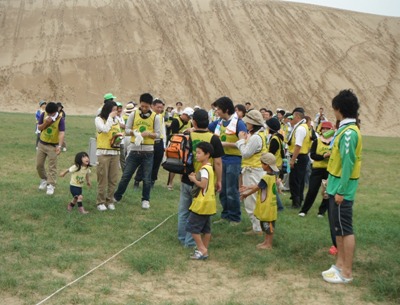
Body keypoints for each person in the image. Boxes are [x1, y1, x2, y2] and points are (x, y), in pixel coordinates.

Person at [322, 89, 362, 284]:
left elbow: (349, 164)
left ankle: (347, 271)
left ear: (339, 109)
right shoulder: (344, 130)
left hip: (341, 189)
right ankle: (339, 264)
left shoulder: (349, 134)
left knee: (345, 229)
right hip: (335, 186)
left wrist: (341, 191)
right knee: (337, 228)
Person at [177, 109, 223, 248]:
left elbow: (182, 157)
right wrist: (218, 180)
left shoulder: (187, 135)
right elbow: (218, 162)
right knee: (197, 212)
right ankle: (191, 243)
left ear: (194, 122)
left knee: (184, 211)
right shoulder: (214, 138)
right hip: (205, 181)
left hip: (187, 177)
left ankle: (182, 237)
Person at [113, 93, 160, 209]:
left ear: (150, 106)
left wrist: (149, 134)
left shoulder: (155, 117)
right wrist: (134, 132)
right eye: (142, 106)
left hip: (148, 152)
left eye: (146, 107)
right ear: (140, 104)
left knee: (147, 179)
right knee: (126, 176)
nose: (144, 109)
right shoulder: (133, 115)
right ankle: (117, 196)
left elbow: (158, 135)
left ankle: (145, 199)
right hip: (134, 151)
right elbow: (127, 130)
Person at [209, 97, 247, 225]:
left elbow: (244, 143)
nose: (217, 111)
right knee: (222, 190)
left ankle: (235, 217)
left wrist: (224, 144)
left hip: (234, 160)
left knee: (231, 190)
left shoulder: (239, 123)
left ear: (225, 109)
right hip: (221, 159)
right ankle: (225, 215)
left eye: (218, 109)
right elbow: (206, 128)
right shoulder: (219, 122)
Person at [236, 110, 267, 235]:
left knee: (250, 199)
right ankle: (257, 226)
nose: (246, 124)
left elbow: (246, 153)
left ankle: (257, 228)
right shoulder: (260, 135)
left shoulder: (255, 137)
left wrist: (240, 140)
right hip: (255, 170)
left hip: (253, 170)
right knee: (254, 199)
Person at [240, 153, 279, 250]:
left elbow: (258, 187)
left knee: (268, 226)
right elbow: (260, 186)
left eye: (262, 164)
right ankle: (266, 242)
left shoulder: (266, 177)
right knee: (267, 225)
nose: (261, 166)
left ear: (266, 165)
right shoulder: (273, 176)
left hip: (267, 206)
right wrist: (248, 187)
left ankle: (268, 244)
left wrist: (246, 194)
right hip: (271, 206)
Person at [186, 142, 217, 260]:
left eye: (199, 153)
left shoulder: (204, 169)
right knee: (206, 229)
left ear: (207, 154)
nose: (196, 155)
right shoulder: (210, 168)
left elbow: (203, 184)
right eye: (196, 153)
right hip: (209, 202)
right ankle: (203, 250)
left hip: (202, 203)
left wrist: (193, 179)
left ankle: (202, 249)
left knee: (192, 226)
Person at [299, 121, 334, 217]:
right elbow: (313, 155)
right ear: (321, 130)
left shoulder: (334, 141)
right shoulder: (317, 141)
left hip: (329, 170)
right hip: (317, 169)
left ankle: (321, 212)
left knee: (327, 192)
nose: (325, 130)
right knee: (312, 190)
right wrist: (324, 156)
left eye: (328, 129)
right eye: (324, 129)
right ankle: (304, 210)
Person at [95, 100, 121, 211]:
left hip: (115, 152)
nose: (116, 112)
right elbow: (105, 129)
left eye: (116, 110)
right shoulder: (98, 119)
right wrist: (110, 117)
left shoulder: (117, 120)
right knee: (102, 178)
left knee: (113, 179)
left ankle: (109, 200)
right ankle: (100, 202)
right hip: (103, 153)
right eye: (114, 110)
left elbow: (117, 133)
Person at [134, 98, 166, 188]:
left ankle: (152, 181)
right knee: (145, 162)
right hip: (149, 142)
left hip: (159, 142)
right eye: (158, 107)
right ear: (152, 106)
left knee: (156, 162)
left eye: (161, 108)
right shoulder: (148, 116)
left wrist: (164, 143)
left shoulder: (161, 117)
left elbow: (163, 130)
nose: (160, 109)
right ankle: (137, 180)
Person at [36, 102, 65, 195]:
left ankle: (51, 185)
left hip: (53, 146)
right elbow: (39, 128)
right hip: (42, 143)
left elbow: (61, 133)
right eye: (47, 113)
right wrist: (46, 123)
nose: (48, 115)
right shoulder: (43, 114)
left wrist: (59, 146)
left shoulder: (60, 119)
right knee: (39, 165)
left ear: (55, 112)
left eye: (50, 114)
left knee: (52, 166)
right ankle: (44, 179)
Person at [287, 107, 311, 209]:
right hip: (302, 156)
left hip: (298, 156)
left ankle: (296, 202)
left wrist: (293, 160)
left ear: (297, 116)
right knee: (298, 179)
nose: (290, 119)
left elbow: (298, 145)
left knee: (295, 180)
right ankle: (298, 199)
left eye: (292, 117)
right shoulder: (303, 126)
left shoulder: (300, 128)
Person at [167, 107, 194, 190]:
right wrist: (185, 132)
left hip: (185, 145)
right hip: (175, 145)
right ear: (184, 114)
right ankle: (170, 183)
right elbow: (174, 133)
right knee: (174, 164)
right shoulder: (176, 121)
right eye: (188, 116)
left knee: (184, 164)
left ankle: (182, 183)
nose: (189, 118)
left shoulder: (190, 122)